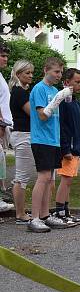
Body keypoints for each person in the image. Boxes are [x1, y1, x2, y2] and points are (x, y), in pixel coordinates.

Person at [28, 57, 74, 232]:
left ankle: (45, 215)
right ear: (46, 70)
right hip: (41, 139)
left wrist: (62, 97)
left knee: (49, 180)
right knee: (43, 177)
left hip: (52, 139)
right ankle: (34, 217)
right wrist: (59, 97)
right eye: (56, 71)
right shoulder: (39, 89)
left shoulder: (54, 89)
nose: (59, 75)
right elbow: (42, 115)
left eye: (61, 72)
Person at [53, 68, 80, 225]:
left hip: (76, 147)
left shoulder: (75, 102)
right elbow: (63, 127)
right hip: (68, 148)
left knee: (69, 180)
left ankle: (66, 211)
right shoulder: (62, 103)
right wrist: (65, 148)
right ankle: (59, 212)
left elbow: (77, 127)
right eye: (77, 82)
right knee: (65, 179)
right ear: (66, 82)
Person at [9, 60, 37, 223]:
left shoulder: (19, 91)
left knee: (23, 176)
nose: (31, 76)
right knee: (22, 177)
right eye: (27, 73)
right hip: (23, 135)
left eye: (32, 72)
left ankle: (21, 211)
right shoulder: (19, 92)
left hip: (22, 134)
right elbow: (33, 114)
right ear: (18, 74)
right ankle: (20, 214)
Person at [0, 45, 14, 213]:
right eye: (2, 56)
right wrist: (1, 123)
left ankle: (2, 194)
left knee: (2, 160)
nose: (5, 59)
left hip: (6, 123)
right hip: (2, 124)